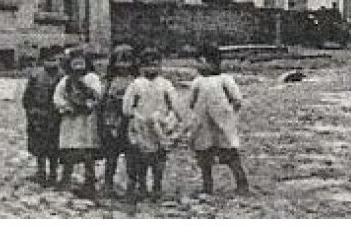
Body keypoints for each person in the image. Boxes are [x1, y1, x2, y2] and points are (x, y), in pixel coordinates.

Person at [187, 43, 250, 195]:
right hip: (203, 125)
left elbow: (237, 99)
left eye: (201, 62)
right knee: (204, 156)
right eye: (197, 62)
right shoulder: (197, 82)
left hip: (222, 124)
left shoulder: (225, 80)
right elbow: (191, 101)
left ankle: (242, 183)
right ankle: (207, 186)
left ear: (214, 62)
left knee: (230, 153)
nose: (198, 66)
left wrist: (230, 114)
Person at [123, 47, 182, 202]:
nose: (152, 68)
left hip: (159, 126)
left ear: (160, 65)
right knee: (141, 158)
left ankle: (157, 186)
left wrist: (171, 120)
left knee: (159, 158)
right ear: (141, 66)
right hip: (141, 125)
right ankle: (142, 186)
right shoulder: (136, 84)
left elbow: (175, 105)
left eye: (155, 64)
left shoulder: (165, 84)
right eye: (148, 65)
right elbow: (127, 107)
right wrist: (135, 118)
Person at [53, 48, 103, 198]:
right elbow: (57, 97)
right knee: (70, 151)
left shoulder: (92, 78)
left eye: (81, 63)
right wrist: (66, 107)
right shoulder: (65, 81)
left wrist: (89, 104)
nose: (79, 66)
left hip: (87, 121)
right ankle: (66, 179)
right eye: (75, 63)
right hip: (71, 121)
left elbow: (97, 94)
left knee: (88, 152)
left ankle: (89, 182)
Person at [97, 43, 138, 197]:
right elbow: (103, 103)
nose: (123, 65)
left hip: (131, 123)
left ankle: (132, 184)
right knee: (111, 156)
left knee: (132, 156)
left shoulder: (136, 81)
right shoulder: (109, 82)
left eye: (127, 61)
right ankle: (108, 183)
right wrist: (107, 122)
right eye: (119, 61)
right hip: (113, 122)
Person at [20, 50, 64, 185]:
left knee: (54, 147)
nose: (52, 63)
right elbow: (27, 97)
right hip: (38, 115)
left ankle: (53, 174)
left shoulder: (62, 76)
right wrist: (31, 112)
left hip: (56, 116)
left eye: (54, 60)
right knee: (39, 146)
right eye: (49, 60)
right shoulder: (35, 75)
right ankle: (41, 172)